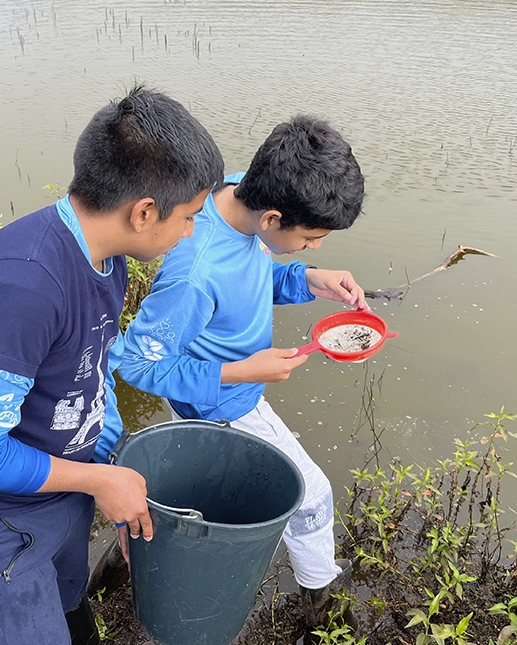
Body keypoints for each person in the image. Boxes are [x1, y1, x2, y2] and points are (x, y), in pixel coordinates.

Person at [0, 85, 224, 645]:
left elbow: (88, 372)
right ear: (144, 211)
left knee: (71, 607)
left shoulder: (106, 255)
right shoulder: (21, 287)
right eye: (191, 216)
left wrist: (117, 463)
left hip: (60, 491)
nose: (191, 233)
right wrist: (101, 480)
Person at [112, 114, 367, 634]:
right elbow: (135, 361)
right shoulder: (196, 269)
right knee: (313, 498)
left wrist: (306, 277)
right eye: (312, 238)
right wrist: (240, 371)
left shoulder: (230, 200)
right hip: (226, 405)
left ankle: (121, 562)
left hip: (233, 389)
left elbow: (247, 280)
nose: (315, 245)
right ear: (273, 217)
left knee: (189, 500)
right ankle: (323, 609)